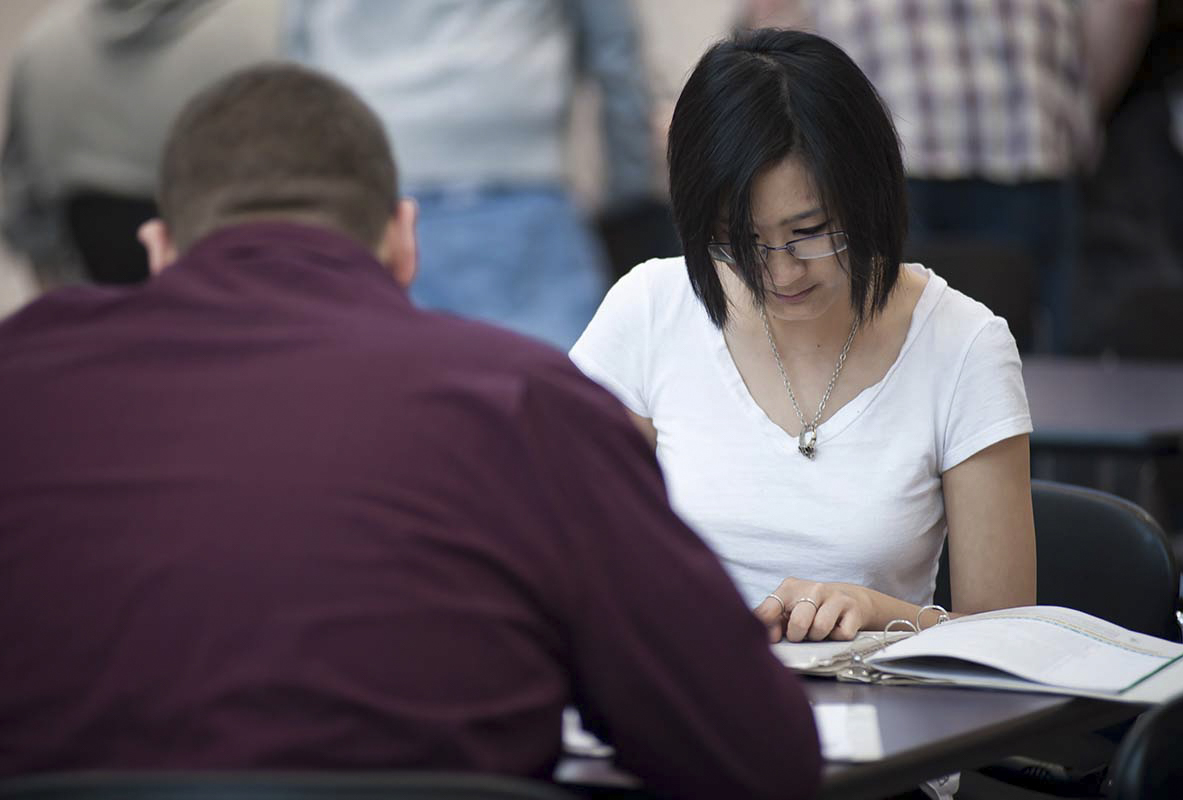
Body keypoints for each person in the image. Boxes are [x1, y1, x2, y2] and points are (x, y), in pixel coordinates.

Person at [0, 64, 820, 799]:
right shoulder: (522, 401)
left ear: (158, 250)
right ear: (402, 239)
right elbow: (759, 756)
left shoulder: (21, 381)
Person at [570, 29, 1037, 644]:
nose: (782, 271)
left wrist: (877, 612)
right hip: (682, 704)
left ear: (866, 194)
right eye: (740, 241)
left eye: (810, 230)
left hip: (891, 722)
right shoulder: (651, 308)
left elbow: (1011, 641)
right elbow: (560, 544)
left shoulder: (964, 346)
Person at [740, 0, 1156, 353]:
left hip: (877, 123)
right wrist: (1071, 112)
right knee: (1039, 392)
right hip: (1030, 127)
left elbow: (775, 13)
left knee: (884, 377)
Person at [286, 0, 655, 351]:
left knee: (387, 401)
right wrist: (629, 206)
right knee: (566, 399)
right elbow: (616, 58)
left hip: (374, 205)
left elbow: (300, 64)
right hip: (524, 212)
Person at [0, 0, 284, 287]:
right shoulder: (280, 38)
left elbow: (23, 220)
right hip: (242, 308)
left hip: (98, 312)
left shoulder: (41, 49)